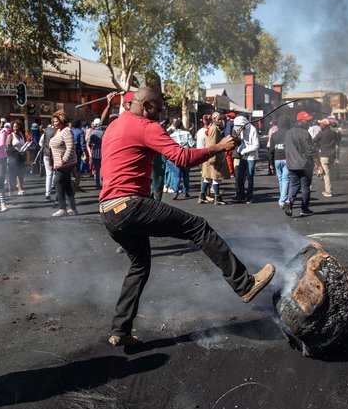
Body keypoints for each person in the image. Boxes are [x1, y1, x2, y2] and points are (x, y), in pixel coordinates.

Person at [99, 87, 275, 346]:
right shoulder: (146, 126)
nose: (161, 114)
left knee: (139, 266)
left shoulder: (115, 125)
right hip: (130, 205)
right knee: (198, 227)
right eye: (158, 108)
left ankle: (120, 330)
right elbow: (181, 158)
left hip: (107, 211)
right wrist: (219, 147)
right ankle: (244, 284)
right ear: (147, 106)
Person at [284, 111, 321, 217]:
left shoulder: (289, 132)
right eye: (307, 120)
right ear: (300, 121)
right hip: (304, 165)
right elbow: (310, 150)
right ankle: (304, 209)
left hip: (291, 164)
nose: (309, 122)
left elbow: (286, 147)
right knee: (305, 187)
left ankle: (288, 202)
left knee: (294, 185)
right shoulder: (305, 133)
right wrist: (318, 164)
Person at [49, 110, 79, 217]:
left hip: (66, 163)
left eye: (56, 121)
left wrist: (63, 160)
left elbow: (70, 147)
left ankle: (62, 209)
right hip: (59, 163)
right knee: (66, 185)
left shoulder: (67, 131)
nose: (54, 123)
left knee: (58, 182)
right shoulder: (58, 131)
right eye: (53, 121)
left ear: (62, 120)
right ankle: (73, 208)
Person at [199, 112, 230, 205]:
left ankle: (202, 197)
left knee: (207, 178)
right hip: (213, 158)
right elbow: (211, 144)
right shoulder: (214, 129)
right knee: (216, 178)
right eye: (218, 119)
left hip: (209, 157)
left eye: (221, 119)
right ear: (214, 119)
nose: (220, 121)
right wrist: (212, 158)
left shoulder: (213, 128)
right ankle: (217, 198)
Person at [233, 115, 259, 203]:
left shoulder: (252, 129)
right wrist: (239, 149)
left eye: (239, 126)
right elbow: (243, 143)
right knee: (240, 177)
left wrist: (244, 151)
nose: (238, 129)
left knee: (250, 177)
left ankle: (249, 197)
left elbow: (256, 145)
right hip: (244, 157)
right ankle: (241, 195)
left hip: (251, 158)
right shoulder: (242, 130)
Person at [168, 118, 195, 200]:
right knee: (186, 175)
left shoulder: (171, 136)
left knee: (176, 176)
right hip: (185, 156)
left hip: (176, 157)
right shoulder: (187, 133)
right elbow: (192, 144)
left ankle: (175, 192)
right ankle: (185, 192)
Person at [313, 119, 339, 198]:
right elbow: (337, 143)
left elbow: (313, 141)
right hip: (332, 156)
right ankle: (329, 187)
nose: (320, 126)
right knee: (329, 172)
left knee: (326, 174)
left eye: (321, 124)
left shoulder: (321, 134)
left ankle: (328, 191)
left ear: (324, 125)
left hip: (324, 156)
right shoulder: (334, 133)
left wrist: (317, 146)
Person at [269, 115, 291, 208]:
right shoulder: (289, 133)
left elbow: (271, 149)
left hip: (277, 159)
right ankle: (282, 200)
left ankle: (284, 198)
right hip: (286, 158)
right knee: (286, 179)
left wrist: (270, 162)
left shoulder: (274, 134)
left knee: (281, 179)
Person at [7, 120, 27, 196]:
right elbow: (8, 146)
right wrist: (16, 150)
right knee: (12, 174)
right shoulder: (10, 135)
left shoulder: (21, 135)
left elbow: (24, 144)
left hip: (21, 157)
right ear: (12, 127)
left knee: (21, 173)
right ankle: (11, 190)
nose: (16, 128)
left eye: (18, 126)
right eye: (15, 126)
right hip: (13, 157)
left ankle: (20, 188)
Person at [87, 118, 106, 189]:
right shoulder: (104, 131)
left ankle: (97, 184)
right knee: (103, 169)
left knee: (96, 169)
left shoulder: (92, 132)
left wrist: (90, 153)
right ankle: (103, 183)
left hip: (95, 153)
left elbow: (88, 143)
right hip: (103, 152)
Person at [39, 125, 56, 201]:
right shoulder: (58, 131)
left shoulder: (45, 131)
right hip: (55, 154)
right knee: (56, 173)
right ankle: (55, 189)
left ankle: (47, 194)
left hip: (46, 154)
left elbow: (41, 143)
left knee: (49, 174)